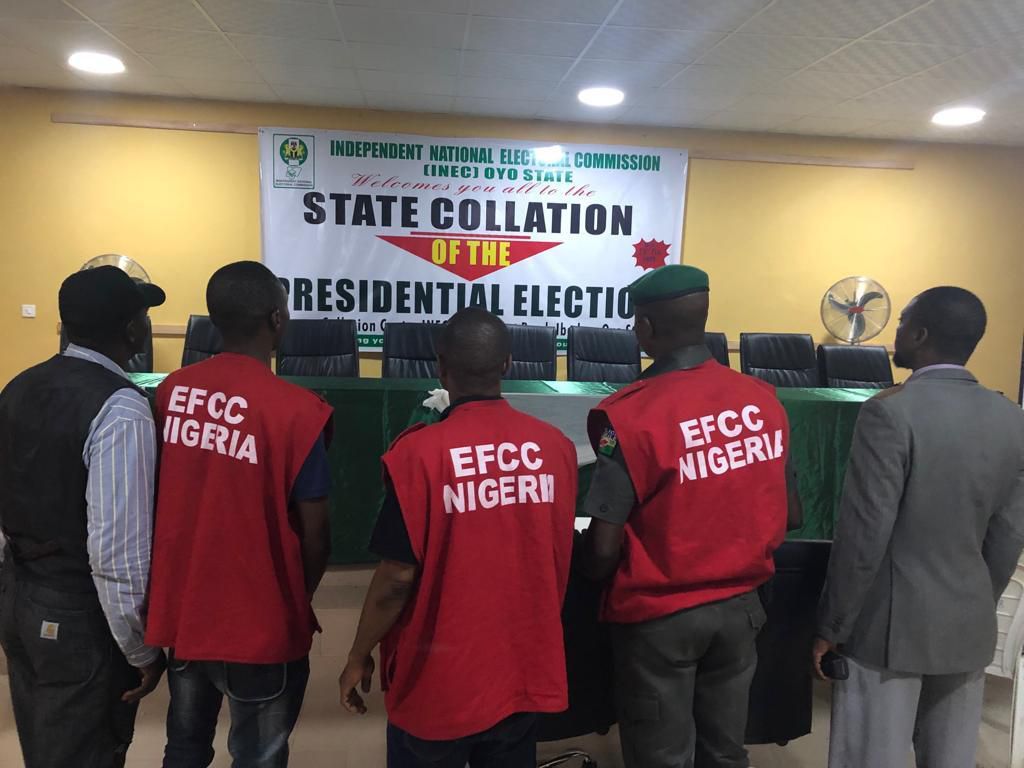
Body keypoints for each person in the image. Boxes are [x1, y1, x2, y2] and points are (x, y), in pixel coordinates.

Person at [581, 264, 801, 768]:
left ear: (645, 328)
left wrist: (590, 577)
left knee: (661, 755)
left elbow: (603, 547)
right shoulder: (763, 401)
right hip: (742, 610)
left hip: (661, 619)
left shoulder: (627, 415)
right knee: (724, 752)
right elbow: (792, 514)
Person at [338, 307, 578, 767]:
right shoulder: (556, 448)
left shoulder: (418, 455)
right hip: (523, 670)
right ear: (508, 365)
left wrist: (357, 654)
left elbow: (396, 579)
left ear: (440, 366)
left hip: (440, 680)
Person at [814, 286, 1024, 768]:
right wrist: (973, 601)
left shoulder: (889, 412)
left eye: (903, 321)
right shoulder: (1012, 418)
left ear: (921, 333)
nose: (897, 332)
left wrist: (832, 624)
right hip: (968, 624)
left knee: (871, 756)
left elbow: (865, 534)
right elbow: (1010, 534)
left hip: (887, 630)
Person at [144, 261, 334, 768]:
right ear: (277, 318)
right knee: (258, 756)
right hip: (263, 623)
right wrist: (300, 596)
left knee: (183, 747)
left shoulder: (171, 393)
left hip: (185, 613)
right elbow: (315, 532)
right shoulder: (298, 410)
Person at [0, 266, 167, 767]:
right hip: (79, 613)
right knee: (83, 751)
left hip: (20, 595)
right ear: (134, 330)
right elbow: (116, 554)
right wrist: (140, 649)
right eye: (143, 316)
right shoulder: (121, 408)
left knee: (46, 745)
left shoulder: (18, 386)